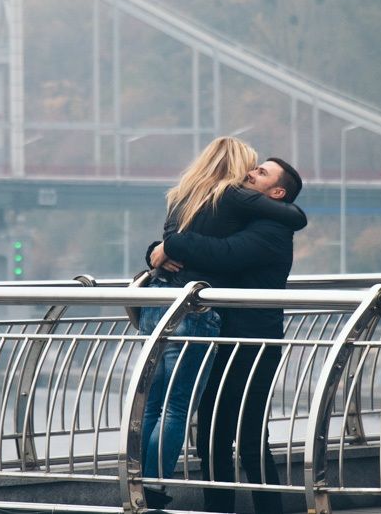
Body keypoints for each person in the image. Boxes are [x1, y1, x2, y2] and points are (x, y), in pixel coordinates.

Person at [138, 139, 307, 510]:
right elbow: (201, 240)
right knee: (212, 437)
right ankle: (217, 507)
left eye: (261, 172)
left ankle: (267, 509)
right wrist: (160, 248)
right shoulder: (246, 214)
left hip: (252, 343)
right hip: (220, 337)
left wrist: (171, 245)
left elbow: (223, 255)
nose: (250, 172)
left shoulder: (271, 229)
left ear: (276, 192)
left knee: (249, 437)